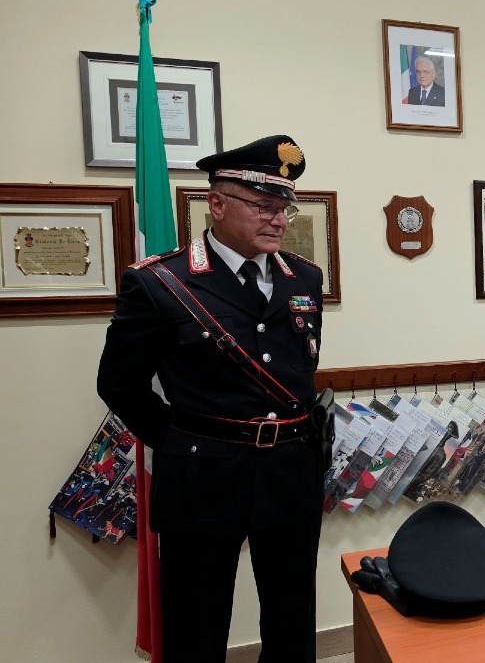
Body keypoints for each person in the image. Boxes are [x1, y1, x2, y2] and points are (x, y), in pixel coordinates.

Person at [97, 135, 325, 662]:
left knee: (293, 622)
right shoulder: (161, 283)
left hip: (290, 470)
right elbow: (119, 383)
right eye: (263, 206)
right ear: (217, 204)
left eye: (284, 207)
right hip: (203, 476)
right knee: (195, 627)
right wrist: (181, 441)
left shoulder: (304, 278)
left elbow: (298, 370)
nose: (278, 219)